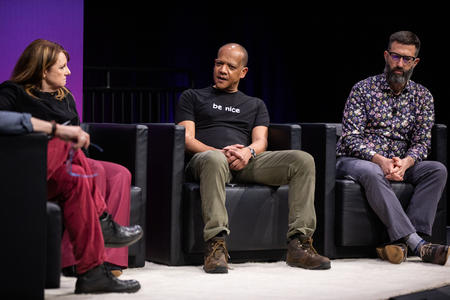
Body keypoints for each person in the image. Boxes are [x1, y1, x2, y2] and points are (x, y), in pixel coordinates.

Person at [175, 43, 330, 273]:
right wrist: (217, 152)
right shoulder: (193, 96)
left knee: (303, 160)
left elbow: (261, 141)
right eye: (219, 63)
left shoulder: (255, 104)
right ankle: (216, 246)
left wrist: (249, 152)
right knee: (215, 161)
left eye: (230, 66)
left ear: (243, 72)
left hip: (243, 160)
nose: (223, 70)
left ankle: (299, 245)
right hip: (207, 160)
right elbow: (187, 138)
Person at [0, 39, 141, 276]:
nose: (69, 72)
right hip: (34, 165)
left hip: (71, 162)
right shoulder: (12, 92)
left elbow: (77, 136)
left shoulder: (65, 97)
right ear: (44, 70)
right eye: (62, 67)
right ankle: (77, 254)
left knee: (119, 173)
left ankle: (111, 259)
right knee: (82, 162)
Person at [336, 31, 448, 265]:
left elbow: (421, 142)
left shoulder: (423, 97)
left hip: (399, 162)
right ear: (386, 56)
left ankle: (401, 243)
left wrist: (406, 162)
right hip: (359, 160)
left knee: (437, 170)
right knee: (373, 172)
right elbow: (350, 138)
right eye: (395, 57)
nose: (400, 64)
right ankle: (417, 244)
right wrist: (380, 160)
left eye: (407, 59)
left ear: (415, 62)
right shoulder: (363, 89)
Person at [0, 110, 141, 293]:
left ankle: (92, 274)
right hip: (13, 167)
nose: (67, 78)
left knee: (76, 178)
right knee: (62, 142)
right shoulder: (12, 93)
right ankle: (103, 221)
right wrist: (55, 129)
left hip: (23, 167)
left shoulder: (65, 99)